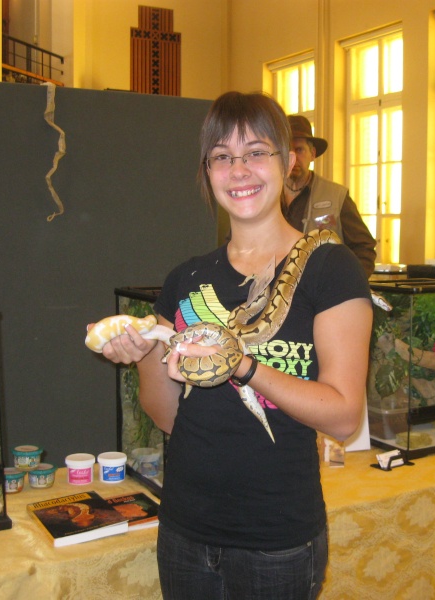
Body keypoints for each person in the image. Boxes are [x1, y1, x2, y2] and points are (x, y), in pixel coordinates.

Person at [99, 91, 372, 599]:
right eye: (222, 156)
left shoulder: (331, 269)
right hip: (185, 530)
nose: (239, 169)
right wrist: (144, 355)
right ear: (207, 172)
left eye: (256, 152)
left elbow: (342, 416)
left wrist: (240, 364)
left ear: (288, 162)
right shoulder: (186, 278)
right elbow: (166, 415)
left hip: (277, 539)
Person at [284, 114, 378, 277]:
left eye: (299, 150)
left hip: (323, 295)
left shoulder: (337, 197)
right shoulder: (267, 196)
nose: (293, 158)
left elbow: (364, 248)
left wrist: (348, 286)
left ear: (312, 154)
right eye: (287, 151)